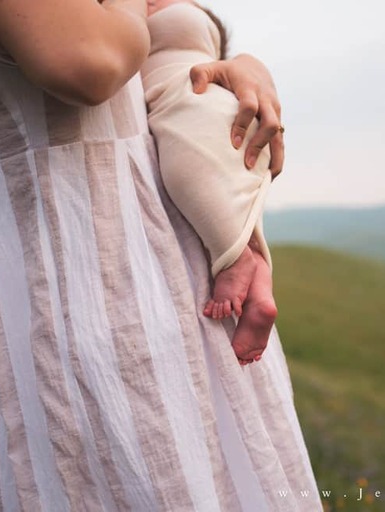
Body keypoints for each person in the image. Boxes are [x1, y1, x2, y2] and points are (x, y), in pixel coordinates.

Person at [0, 0, 321, 509]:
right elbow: (89, 62)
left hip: (185, 279)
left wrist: (243, 68)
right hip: (64, 275)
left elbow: (159, 78)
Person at [142, 0, 277, 366]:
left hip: (195, 101)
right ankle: (260, 285)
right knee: (234, 208)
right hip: (216, 113)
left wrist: (250, 64)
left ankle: (232, 260)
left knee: (186, 174)